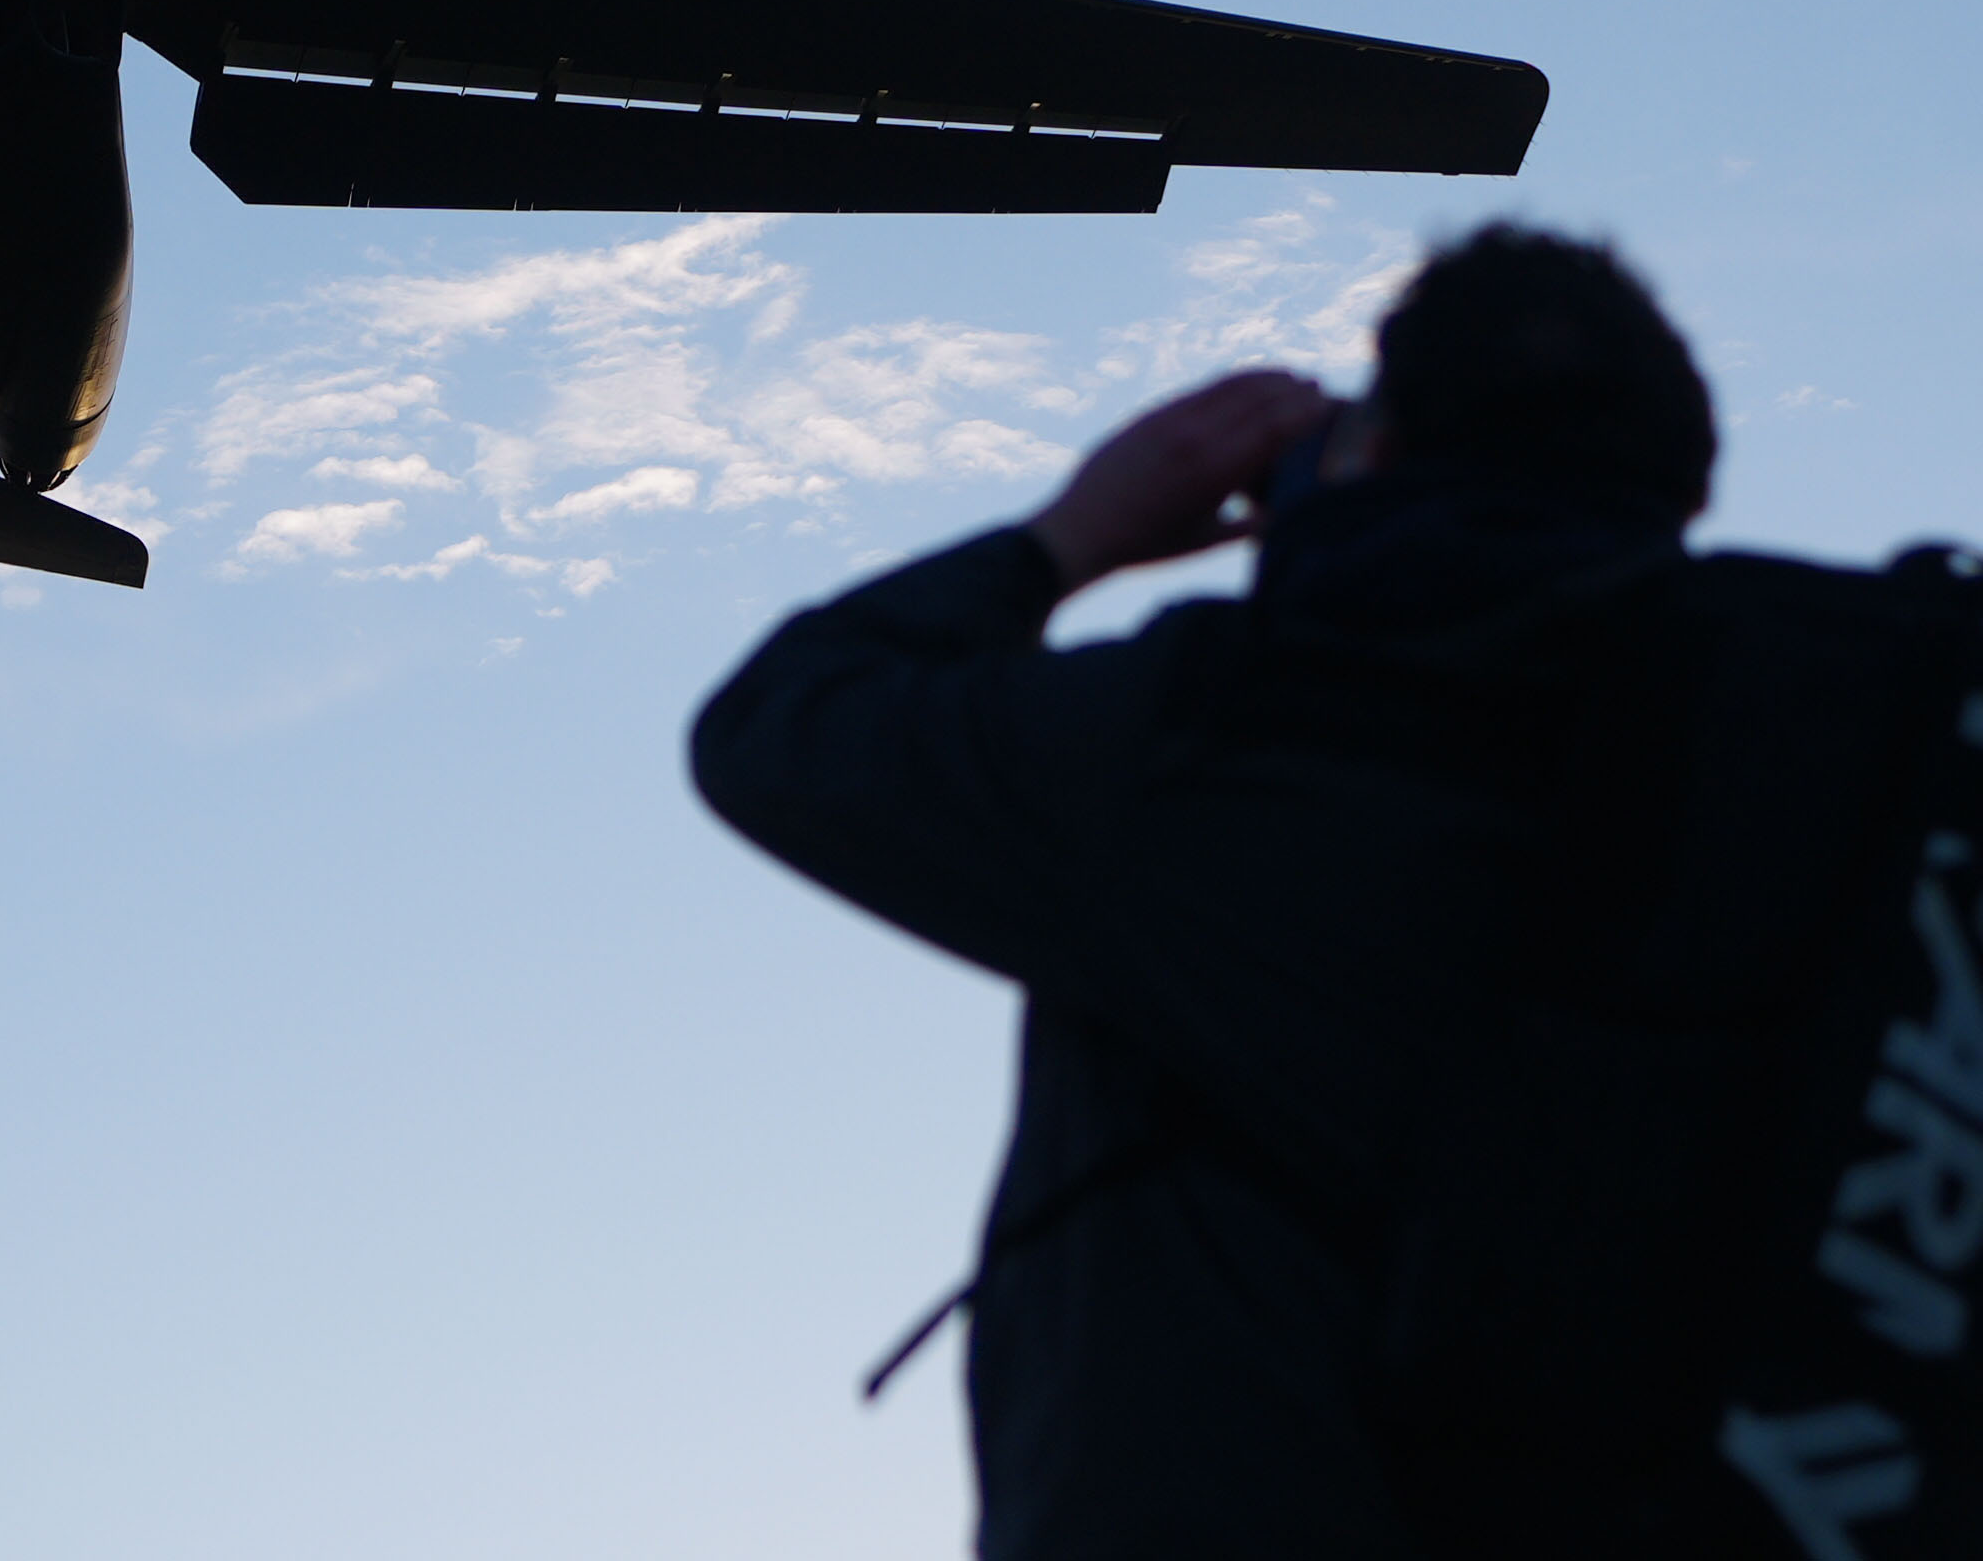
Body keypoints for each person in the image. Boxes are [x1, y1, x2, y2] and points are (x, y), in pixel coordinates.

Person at [690, 226, 1724, 1561]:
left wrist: (1066, 539)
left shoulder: (1225, 737)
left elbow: (784, 730)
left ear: (1370, 451)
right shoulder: (1797, 773)